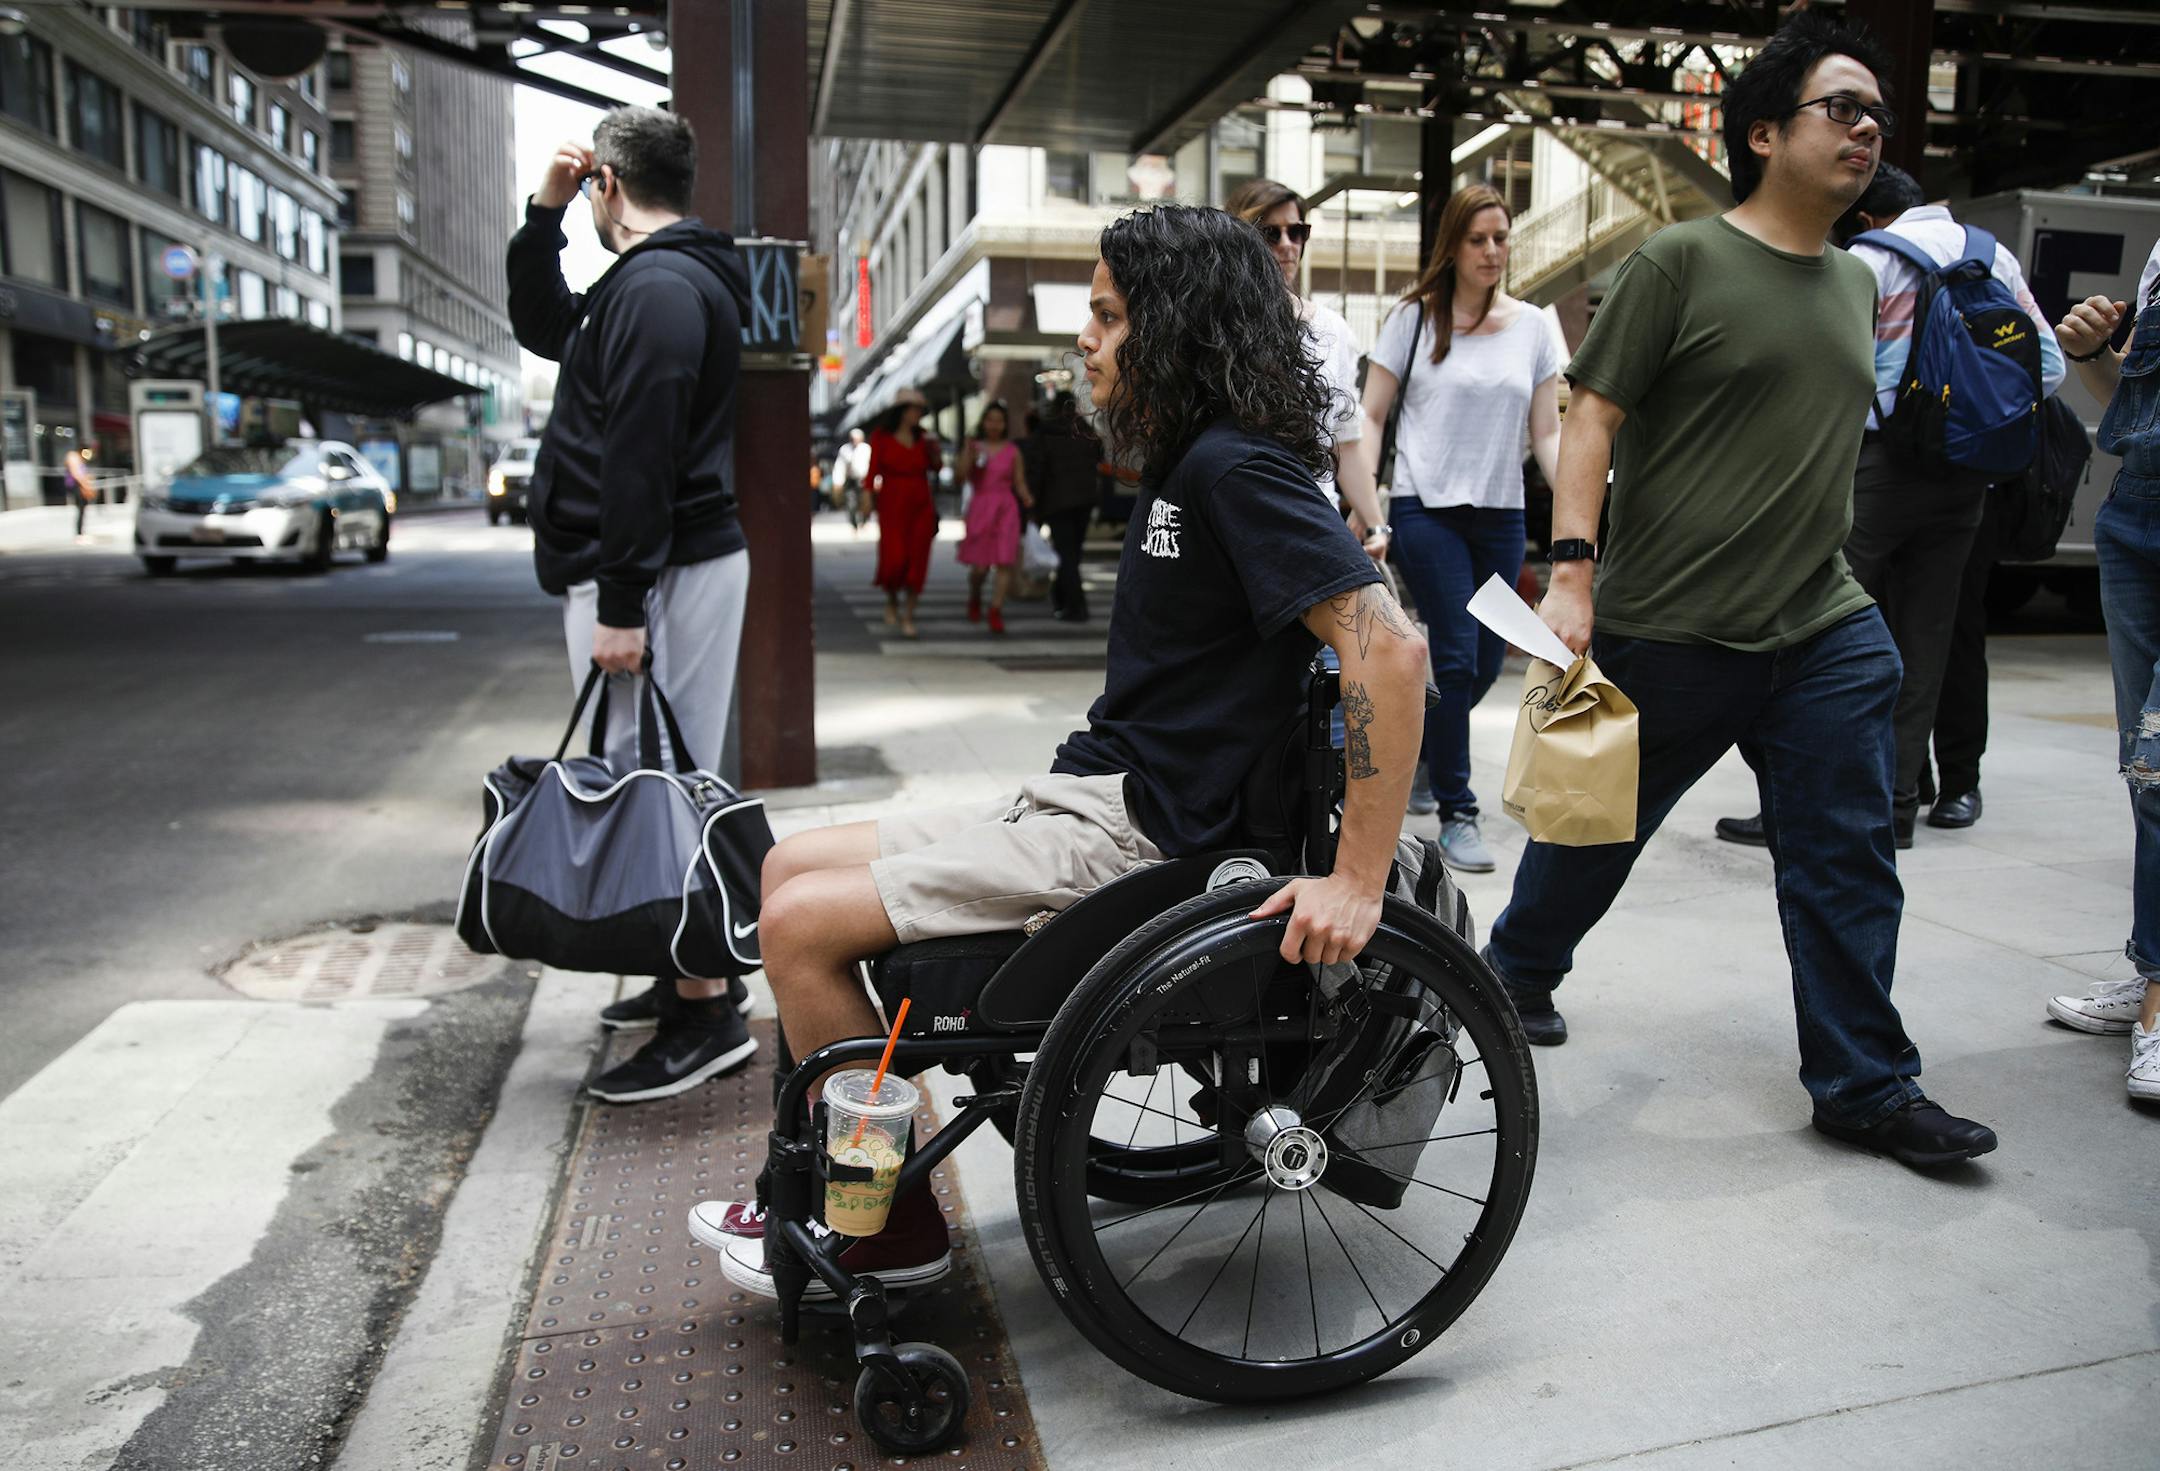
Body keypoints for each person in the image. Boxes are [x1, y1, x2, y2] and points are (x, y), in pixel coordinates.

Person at [687, 203, 1431, 1292]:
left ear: (1175, 325)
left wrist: (1357, 881)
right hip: (1099, 793)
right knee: (786, 865)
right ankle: (809, 1173)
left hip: (1153, 835)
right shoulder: (1188, 459)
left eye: (1109, 316)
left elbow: (1391, 650)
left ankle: (886, 1226)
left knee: (798, 928)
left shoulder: (1235, 469)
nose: (1085, 338)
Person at [1482, 13, 1997, 1165]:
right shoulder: (1680, 261)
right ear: (1763, 133)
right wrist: (1573, 574)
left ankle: (1866, 1084)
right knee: (1593, 831)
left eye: (1877, 115)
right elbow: (1590, 417)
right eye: (1841, 108)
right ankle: (1515, 968)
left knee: (1848, 854)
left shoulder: (1857, 284)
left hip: (1821, 621)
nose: (1867, 129)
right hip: (1674, 621)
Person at [506, 105, 760, 1103]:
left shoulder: (658, 287)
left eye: (584, 193)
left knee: (663, 785)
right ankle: (682, 969)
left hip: (658, 577)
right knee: (646, 776)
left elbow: (640, 453)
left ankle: (707, 1010)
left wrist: (621, 602)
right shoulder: (648, 282)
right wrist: (543, 218)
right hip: (656, 571)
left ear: (607, 183)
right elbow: (545, 327)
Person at [1715, 163, 2061, 848]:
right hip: (1965, 479)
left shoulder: (1869, 261)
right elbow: (2046, 367)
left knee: (1818, 633)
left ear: (1868, 216)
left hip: (1876, 473)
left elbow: (1821, 375)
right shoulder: (1993, 255)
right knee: (1925, 641)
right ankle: (1896, 809)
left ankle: (1798, 804)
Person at [1359, 184, 1563, 873]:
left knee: (1485, 664)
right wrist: (1367, 500)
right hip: (1425, 507)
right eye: (1478, 239)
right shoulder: (1413, 319)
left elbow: (1548, 431)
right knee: (1453, 653)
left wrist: (1582, 505)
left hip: (1501, 512)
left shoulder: (1535, 326)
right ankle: (1458, 811)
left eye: (1501, 238)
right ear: (1452, 245)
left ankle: (1425, 749)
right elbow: (1373, 414)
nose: (1492, 251)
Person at [2049, 244, 2160, 1104]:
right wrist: (2093, 355)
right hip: (2137, 517)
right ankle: (2153, 964)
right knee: (2142, 769)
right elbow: (2128, 406)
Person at [955, 400, 1035, 634]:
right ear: (983, 422)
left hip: (1006, 510)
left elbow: (1019, 482)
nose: (994, 425)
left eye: (999, 421)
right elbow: (960, 477)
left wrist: (1027, 498)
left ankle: (995, 609)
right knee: (979, 568)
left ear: (1005, 424)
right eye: (990, 420)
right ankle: (975, 595)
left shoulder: (1013, 451)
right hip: (981, 509)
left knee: (1004, 563)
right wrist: (968, 456)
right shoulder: (974, 447)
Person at [868, 389, 941, 638]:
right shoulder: (881, 437)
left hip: (921, 504)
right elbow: (872, 472)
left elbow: (936, 467)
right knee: (894, 558)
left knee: (917, 559)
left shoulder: (924, 438)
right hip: (892, 504)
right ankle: (891, 598)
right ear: (902, 411)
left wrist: (934, 450)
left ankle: (908, 615)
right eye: (914, 409)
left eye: (920, 410)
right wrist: (867, 497)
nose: (918, 414)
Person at [1028, 392, 1104, 622]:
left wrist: (1033, 504)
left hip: (1057, 501)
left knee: (1066, 554)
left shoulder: (1046, 432)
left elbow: (1037, 469)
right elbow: (1099, 457)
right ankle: (1062, 598)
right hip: (1084, 499)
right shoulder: (1085, 430)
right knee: (1072, 553)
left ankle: (1075, 605)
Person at [830, 427, 872, 531]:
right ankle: (854, 524)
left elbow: (872, 465)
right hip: (850, 480)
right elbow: (840, 466)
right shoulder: (845, 449)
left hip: (864, 479)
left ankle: (865, 521)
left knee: (865, 502)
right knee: (851, 502)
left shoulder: (866, 449)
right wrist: (838, 481)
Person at [67, 446, 97, 540]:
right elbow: (76, 474)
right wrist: (85, 485)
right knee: (81, 509)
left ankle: (80, 532)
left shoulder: (80, 460)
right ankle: (79, 534)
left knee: (82, 509)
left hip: (80, 486)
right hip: (77, 486)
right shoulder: (73, 457)